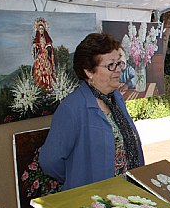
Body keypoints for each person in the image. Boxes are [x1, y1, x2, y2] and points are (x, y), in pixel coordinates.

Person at [40, 33, 144, 190]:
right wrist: (78, 178)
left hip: (127, 192)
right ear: (89, 72)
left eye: (119, 63)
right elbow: (49, 162)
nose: (118, 70)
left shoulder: (116, 99)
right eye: (111, 65)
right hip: (94, 198)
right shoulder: (72, 108)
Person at [32, 17, 56, 91]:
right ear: (38, 30)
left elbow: (50, 46)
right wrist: (35, 47)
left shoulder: (47, 38)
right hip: (40, 56)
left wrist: (48, 48)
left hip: (46, 56)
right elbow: (35, 49)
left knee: (47, 70)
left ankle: (48, 86)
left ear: (44, 29)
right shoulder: (37, 39)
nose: (41, 30)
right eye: (40, 29)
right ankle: (40, 86)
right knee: (39, 70)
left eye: (42, 29)